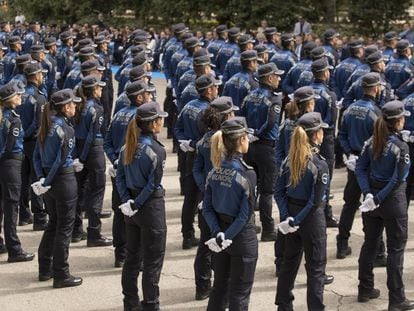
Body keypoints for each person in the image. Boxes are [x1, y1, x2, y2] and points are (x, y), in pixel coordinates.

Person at [355, 100, 414, 311]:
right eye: (402, 117)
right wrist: (376, 197)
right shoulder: (401, 146)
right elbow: (397, 179)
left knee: (370, 245)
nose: (405, 120)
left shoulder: (371, 141)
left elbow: (360, 170)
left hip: (373, 202)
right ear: (397, 121)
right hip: (391, 202)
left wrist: (368, 194)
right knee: (396, 251)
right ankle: (396, 299)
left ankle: (365, 288)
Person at [274, 112, 329, 311]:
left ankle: (283, 305)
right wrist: (295, 219)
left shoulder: (289, 160)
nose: (323, 133)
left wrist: (287, 217)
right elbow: (315, 201)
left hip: (292, 214)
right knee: (315, 269)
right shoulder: (319, 164)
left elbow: (278, 192)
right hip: (311, 219)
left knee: (289, 263)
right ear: (315, 135)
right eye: (321, 130)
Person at [116, 101, 168, 311]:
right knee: (153, 261)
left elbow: (119, 178)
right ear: (154, 123)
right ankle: (151, 304)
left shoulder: (127, 146)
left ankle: (130, 302)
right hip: (150, 207)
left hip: (132, 207)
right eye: (160, 119)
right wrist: (136, 203)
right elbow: (153, 183)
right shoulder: (156, 150)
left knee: (132, 258)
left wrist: (127, 201)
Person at [203, 116, 258, 310]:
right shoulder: (247, 174)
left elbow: (207, 208)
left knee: (219, 287)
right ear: (241, 139)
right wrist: (226, 236)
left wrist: (218, 233)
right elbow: (245, 214)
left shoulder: (214, 171)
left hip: (220, 235)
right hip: (241, 237)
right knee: (240, 294)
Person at [33, 88, 83, 287]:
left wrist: (42, 179)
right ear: (64, 107)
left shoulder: (46, 124)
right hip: (62, 181)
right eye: (72, 103)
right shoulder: (66, 128)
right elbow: (60, 161)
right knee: (64, 228)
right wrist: (48, 180)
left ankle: (45, 268)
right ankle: (61, 273)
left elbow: (37, 156)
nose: (75, 107)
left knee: (53, 224)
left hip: (50, 183)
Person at [192, 96, 239, 301]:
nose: (234, 116)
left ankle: (203, 286)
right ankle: (223, 290)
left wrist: (206, 189)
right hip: (224, 202)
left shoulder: (203, 139)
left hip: (208, 201)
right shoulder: (223, 141)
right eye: (231, 113)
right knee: (225, 247)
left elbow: (196, 169)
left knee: (205, 244)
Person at [336, 73, 382, 259]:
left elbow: (342, 135)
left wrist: (349, 154)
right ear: (376, 88)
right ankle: (379, 251)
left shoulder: (349, 109)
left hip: (353, 163)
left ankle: (342, 244)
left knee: (350, 204)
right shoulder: (376, 113)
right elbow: (378, 142)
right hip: (369, 166)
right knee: (372, 206)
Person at [174, 74, 220, 249]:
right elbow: (207, 138)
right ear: (208, 90)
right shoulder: (208, 110)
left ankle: (187, 235)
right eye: (215, 87)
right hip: (203, 158)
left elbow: (177, 128)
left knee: (190, 199)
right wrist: (192, 143)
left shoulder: (188, 106)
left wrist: (184, 142)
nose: (217, 89)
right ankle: (203, 235)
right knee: (204, 197)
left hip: (189, 156)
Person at [241, 62, 284, 241]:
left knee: (251, 188)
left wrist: (249, 133)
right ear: (269, 78)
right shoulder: (274, 99)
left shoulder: (249, 96)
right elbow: (272, 122)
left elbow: (241, 116)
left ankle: (249, 224)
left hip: (249, 146)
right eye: (277, 75)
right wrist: (258, 133)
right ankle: (268, 229)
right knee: (267, 191)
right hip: (266, 147)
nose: (279, 78)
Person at [72, 75, 112, 247]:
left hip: (81, 149)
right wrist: (82, 157)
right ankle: (94, 233)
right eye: (99, 87)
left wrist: (78, 156)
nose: (101, 90)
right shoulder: (96, 108)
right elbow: (91, 135)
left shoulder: (80, 105)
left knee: (79, 192)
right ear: (94, 89)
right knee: (96, 192)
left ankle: (76, 230)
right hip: (92, 151)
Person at [0, 82, 35, 263]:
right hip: (10, 164)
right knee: (12, 205)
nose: (20, 97)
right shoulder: (14, 119)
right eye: (17, 95)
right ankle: (14, 249)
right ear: (10, 100)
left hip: (3, 164)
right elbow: (9, 146)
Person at [18, 61, 48, 231]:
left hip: (20, 143)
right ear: (36, 76)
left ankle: (23, 214)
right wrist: (26, 135)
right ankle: (39, 217)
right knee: (37, 178)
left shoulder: (20, 94)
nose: (42, 76)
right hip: (33, 143)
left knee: (23, 179)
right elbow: (38, 125)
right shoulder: (39, 97)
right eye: (41, 74)